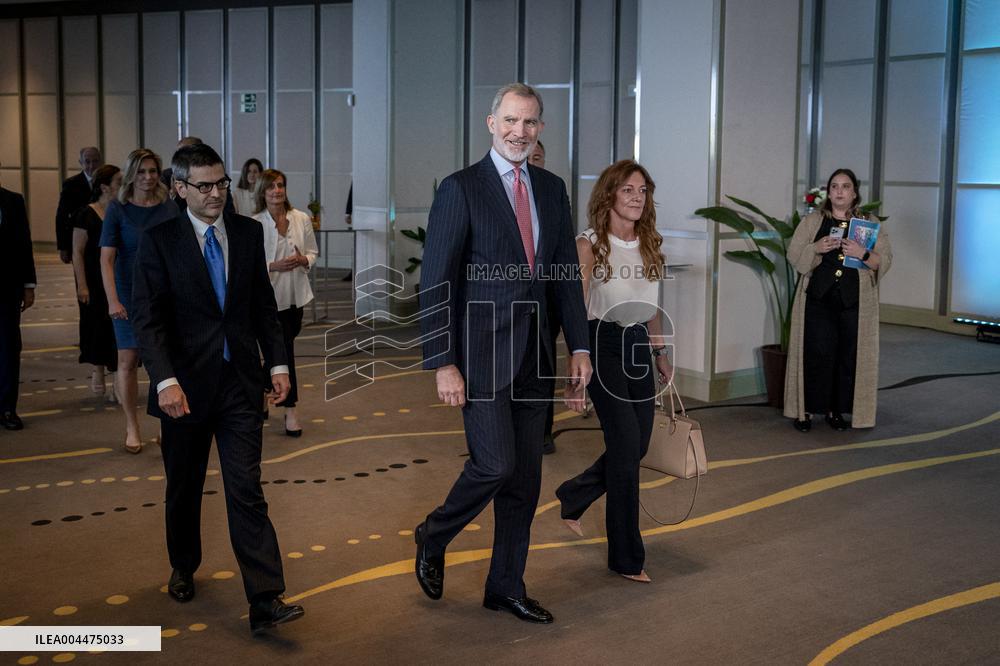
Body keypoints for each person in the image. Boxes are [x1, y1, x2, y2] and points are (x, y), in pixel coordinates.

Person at [416, 83, 592, 624]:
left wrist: (579, 347)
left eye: (531, 123)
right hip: (479, 355)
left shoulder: (551, 188)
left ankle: (505, 585)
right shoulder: (460, 188)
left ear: (540, 128)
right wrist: (443, 361)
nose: (521, 132)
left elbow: (564, 275)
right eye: (511, 121)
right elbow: (436, 280)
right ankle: (434, 532)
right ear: (491, 122)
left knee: (525, 481)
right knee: (494, 465)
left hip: (535, 355)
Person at [131, 143, 304, 635]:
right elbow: (149, 319)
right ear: (180, 188)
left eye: (221, 183)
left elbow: (262, 308)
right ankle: (183, 564)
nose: (214, 194)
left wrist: (278, 363)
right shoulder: (159, 238)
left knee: (246, 488)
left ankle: (266, 596)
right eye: (203, 185)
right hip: (181, 388)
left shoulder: (249, 234)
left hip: (238, 384)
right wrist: (164, 380)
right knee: (184, 487)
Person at [555, 160, 672, 583]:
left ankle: (574, 493)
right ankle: (627, 556)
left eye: (643, 190)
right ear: (609, 195)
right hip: (600, 342)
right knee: (624, 446)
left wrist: (659, 351)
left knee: (637, 445)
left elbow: (653, 305)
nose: (637, 198)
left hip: (638, 344)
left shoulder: (651, 242)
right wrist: (575, 369)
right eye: (628, 190)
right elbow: (575, 311)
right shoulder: (588, 245)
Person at [784, 168, 892, 431]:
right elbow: (794, 255)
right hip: (818, 300)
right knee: (816, 354)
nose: (840, 191)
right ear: (828, 192)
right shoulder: (813, 221)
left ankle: (835, 411)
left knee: (846, 356)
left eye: (845, 187)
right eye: (835, 186)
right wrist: (816, 248)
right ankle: (806, 411)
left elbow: (884, 261)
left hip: (853, 301)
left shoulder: (869, 222)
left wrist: (862, 253)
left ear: (854, 193)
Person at [100, 148, 178, 453]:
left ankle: (164, 422)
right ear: (132, 173)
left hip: (163, 295)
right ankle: (132, 426)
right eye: (142, 171)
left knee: (164, 361)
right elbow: (106, 259)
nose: (148, 177)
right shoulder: (117, 209)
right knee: (128, 361)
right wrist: (112, 301)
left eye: (153, 171)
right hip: (128, 296)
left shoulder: (169, 206)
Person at [252, 168, 318, 437]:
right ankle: (291, 410)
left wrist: (304, 260)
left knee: (276, 353)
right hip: (267, 301)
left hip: (296, 297)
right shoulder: (255, 223)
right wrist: (274, 265)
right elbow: (251, 265)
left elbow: (313, 251)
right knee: (284, 353)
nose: (277, 190)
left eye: (280, 185)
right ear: (262, 192)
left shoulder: (301, 218)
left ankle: (263, 389)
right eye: (271, 187)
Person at [72, 164, 120, 399]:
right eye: (118, 182)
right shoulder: (86, 213)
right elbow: (77, 251)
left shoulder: (121, 211)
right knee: (95, 326)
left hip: (115, 277)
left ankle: (116, 379)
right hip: (92, 278)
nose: (122, 186)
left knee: (115, 329)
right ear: (105, 187)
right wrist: (81, 284)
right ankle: (97, 369)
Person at [0, 170, 36, 431]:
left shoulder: (13, 201)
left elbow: (24, 244)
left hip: (7, 289)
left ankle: (7, 408)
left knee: (8, 348)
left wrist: (28, 285)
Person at [56, 146, 103, 264]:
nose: (91, 165)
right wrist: (63, 247)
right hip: (80, 240)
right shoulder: (71, 184)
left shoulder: (107, 182)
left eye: (95, 161)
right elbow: (62, 216)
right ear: (80, 162)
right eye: (87, 161)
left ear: (101, 161)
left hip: (103, 239)